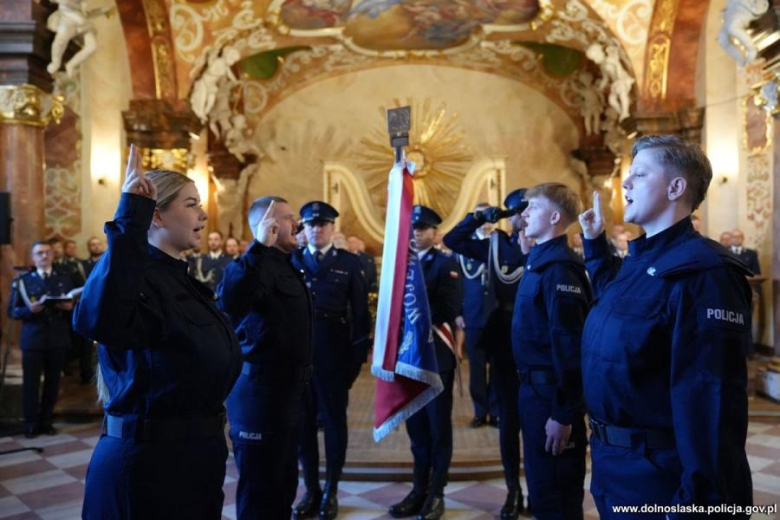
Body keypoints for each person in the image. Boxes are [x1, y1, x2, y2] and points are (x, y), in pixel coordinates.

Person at [578, 135, 753, 518]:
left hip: (662, 474)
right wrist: (594, 247)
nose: (625, 183)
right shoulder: (641, 259)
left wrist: (699, 500)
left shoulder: (706, 273)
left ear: (676, 187)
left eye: (639, 174)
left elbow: (712, 397)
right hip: (615, 463)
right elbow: (622, 309)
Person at [73, 147, 242, 519]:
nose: (203, 213)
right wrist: (130, 216)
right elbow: (97, 319)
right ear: (158, 215)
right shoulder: (136, 281)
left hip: (194, 458)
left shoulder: (183, 281)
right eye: (191, 204)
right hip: (147, 465)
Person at [219, 196, 313, 519]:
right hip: (260, 396)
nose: (297, 224)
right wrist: (257, 247)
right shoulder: (256, 264)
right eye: (289, 218)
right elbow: (231, 299)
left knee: (282, 484)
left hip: (286, 395)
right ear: (267, 224)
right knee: (261, 488)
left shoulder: (285, 263)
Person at [443, 189, 531, 518]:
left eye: (530, 208)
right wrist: (480, 217)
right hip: (505, 339)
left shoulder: (549, 246)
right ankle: (512, 491)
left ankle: (536, 489)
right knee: (509, 422)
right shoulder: (497, 245)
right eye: (519, 210)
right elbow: (453, 238)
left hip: (539, 343)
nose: (526, 215)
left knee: (536, 427)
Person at [514, 183, 591, 519]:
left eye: (533, 208)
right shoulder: (540, 262)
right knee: (542, 486)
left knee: (557, 492)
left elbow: (570, 347)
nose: (524, 214)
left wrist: (564, 413)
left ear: (555, 217)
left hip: (551, 395)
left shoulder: (560, 269)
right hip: (533, 390)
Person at [292, 201, 370, 520]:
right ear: (304, 228)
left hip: (334, 357)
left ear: (332, 228)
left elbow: (361, 316)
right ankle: (311, 489)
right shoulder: (292, 260)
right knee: (303, 427)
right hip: (298, 359)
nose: (317, 229)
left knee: (335, 425)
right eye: (311, 224)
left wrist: (354, 362)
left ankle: (332, 489)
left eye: (323, 224)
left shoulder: (349, 263)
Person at [389, 205, 461, 520]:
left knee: (437, 429)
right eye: (413, 229)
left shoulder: (446, 264)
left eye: (423, 229)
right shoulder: (399, 265)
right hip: (408, 357)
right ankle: (419, 489)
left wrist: (416, 303)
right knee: (416, 430)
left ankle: (437, 493)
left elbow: (448, 308)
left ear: (435, 233)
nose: (417, 233)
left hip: (435, 356)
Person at [8, 241, 74, 438]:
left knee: (53, 383)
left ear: (53, 255)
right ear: (33, 258)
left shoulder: (64, 278)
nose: (44, 256)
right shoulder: (23, 281)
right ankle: (31, 423)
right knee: (31, 383)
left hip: (57, 338)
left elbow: (75, 303)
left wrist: (69, 308)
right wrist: (29, 309)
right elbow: (12, 311)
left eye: (47, 253)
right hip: (33, 340)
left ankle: (47, 421)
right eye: (40, 253)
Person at [449, 203, 499, 429]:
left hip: (497, 316)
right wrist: (458, 313)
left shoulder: (500, 244)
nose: (486, 222)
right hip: (472, 316)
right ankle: (480, 410)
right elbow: (455, 285)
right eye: (482, 217)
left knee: (498, 367)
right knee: (477, 368)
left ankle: (496, 411)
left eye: (489, 217)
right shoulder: (463, 248)